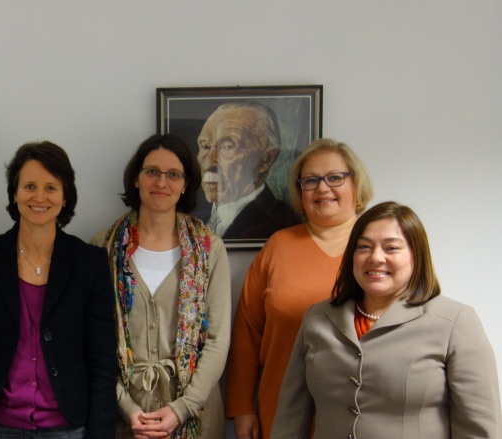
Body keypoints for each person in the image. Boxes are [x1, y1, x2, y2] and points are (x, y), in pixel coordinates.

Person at [271, 201, 502, 438]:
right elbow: (290, 418)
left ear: (416, 256)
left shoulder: (455, 322)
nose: (376, 258)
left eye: (391, 248)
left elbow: (480, 429)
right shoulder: (317, 318)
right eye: (364, 247)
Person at [0, 141, 117, 439]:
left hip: (67, 428)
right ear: (14, 194)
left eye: (51, 187)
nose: (39, 197)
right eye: (29, 186)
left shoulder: (89, 263)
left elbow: (102, 360)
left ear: (66, 196)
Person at [225, 138, 374, 439]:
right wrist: (242, 408)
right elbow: (246, 333)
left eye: (335, 177)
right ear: (299, 190)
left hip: (363, 411)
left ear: (355, 183)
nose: (322, 188)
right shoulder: (278, 246)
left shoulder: (379, 246)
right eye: (311, 181)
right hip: (281, 410)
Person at [95, 133, 231, 438]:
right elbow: (93, 343)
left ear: (185, 185)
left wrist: (180, 409)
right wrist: (129, 409)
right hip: (124, 421)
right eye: (152, 172)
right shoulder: (103, 248)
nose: (161, 182)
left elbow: (218, 340)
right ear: (136, 179)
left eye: (174, 174)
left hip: (195, 416)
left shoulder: (210, 249)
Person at [195, 102, 300, 240]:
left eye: (228, 146)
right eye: (205, 146)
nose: (209, 162)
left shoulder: (284, 224)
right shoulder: (194, 220)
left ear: (266, 159)